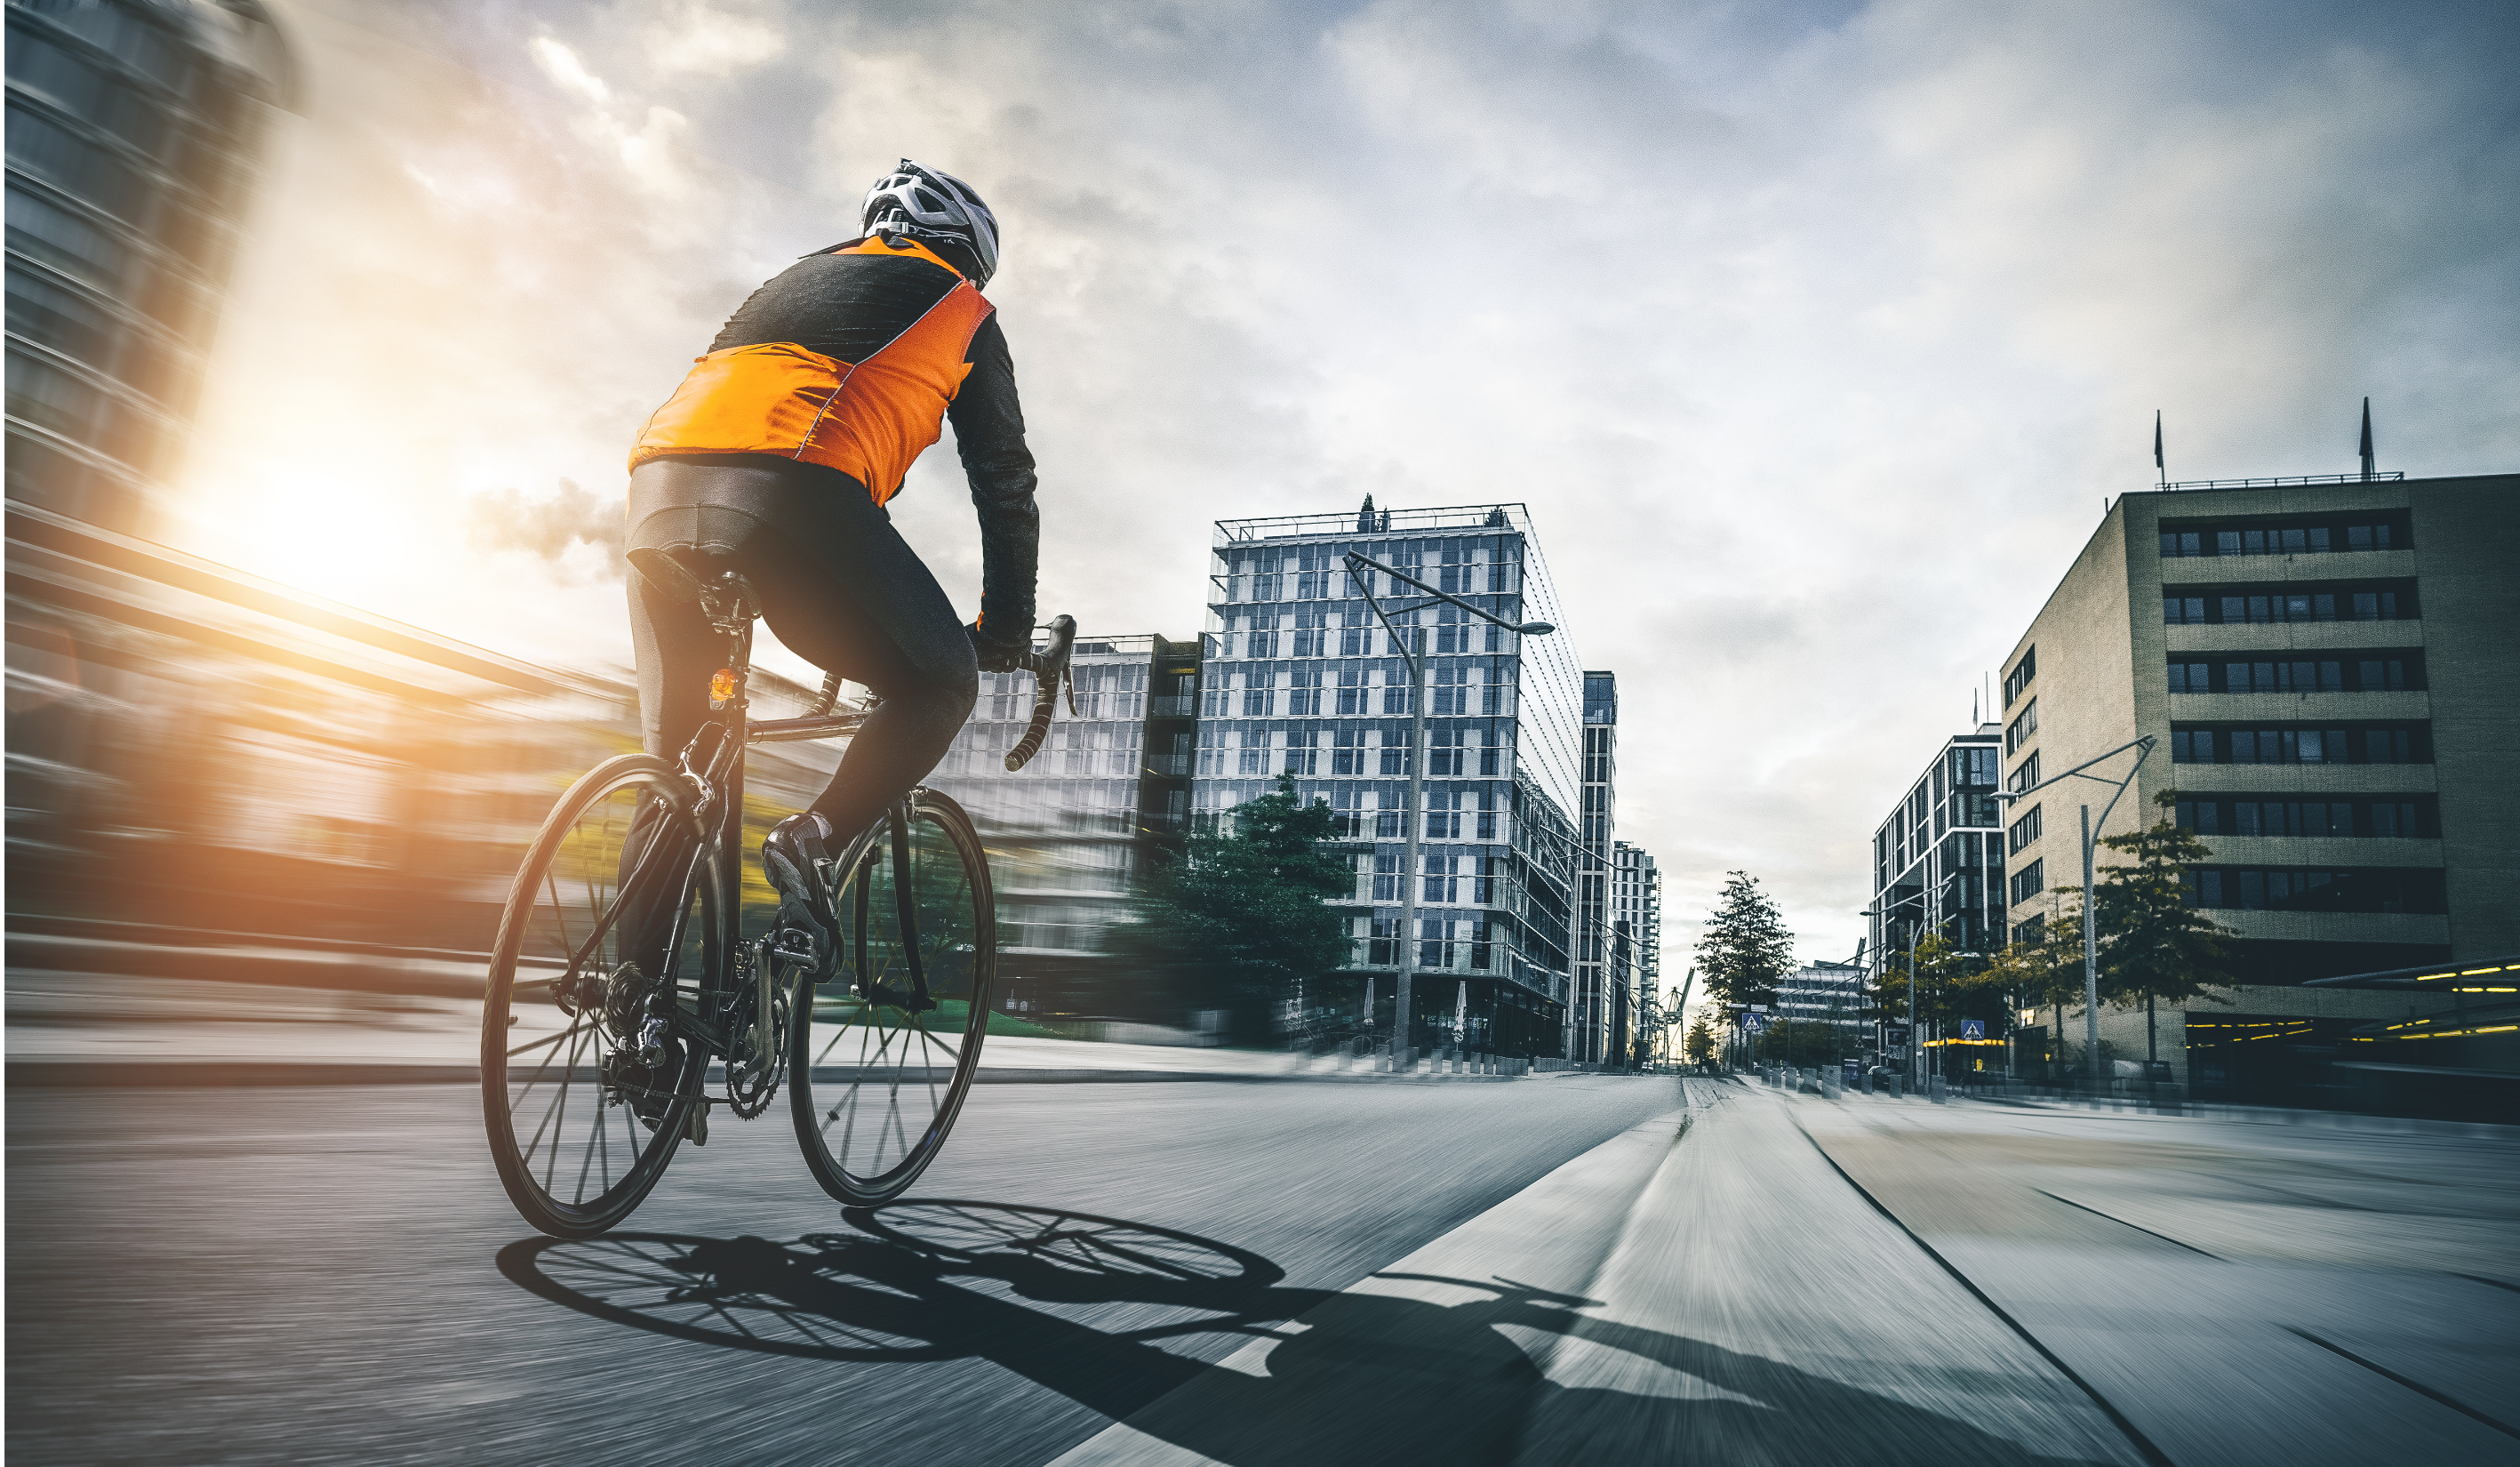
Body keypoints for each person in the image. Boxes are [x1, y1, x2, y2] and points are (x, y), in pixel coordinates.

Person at [623, 158, 1038, 947]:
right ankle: (813, 837)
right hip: (794, 491)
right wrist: (1005, 631)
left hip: (658, 494)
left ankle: (638, 1034)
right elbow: (1003, 479)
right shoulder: (963, 307)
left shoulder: (790, 280)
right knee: (939, 680)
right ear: (970, 253)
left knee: (674, 771)